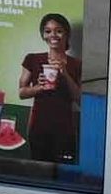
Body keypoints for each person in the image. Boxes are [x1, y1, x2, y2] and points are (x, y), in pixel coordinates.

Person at [16, 12, 82, 163]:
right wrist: (39, 87)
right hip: (38, 127)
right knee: (39, 169)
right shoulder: (32, 59)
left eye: (58, 30)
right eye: (48, 31)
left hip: (65, 130)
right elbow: (21, 92)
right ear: (43, 35)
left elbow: (80, 100)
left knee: (64, 171)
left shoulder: (77, 64)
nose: (53, 35)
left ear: (66, 34)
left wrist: (64, 73)